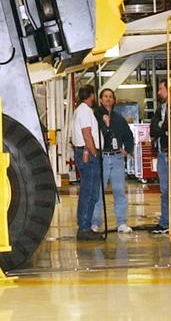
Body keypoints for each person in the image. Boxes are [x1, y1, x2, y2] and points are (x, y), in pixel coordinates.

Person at [96, 88, 135, 234]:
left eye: (110, 97)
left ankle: (122, 223)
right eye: (105, 96)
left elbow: (129, 135)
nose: (108, 99)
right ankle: (95, 223)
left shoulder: (119, 118)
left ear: (114, 100)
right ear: (101, 99)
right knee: (98, 193)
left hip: (117, 158)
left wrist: (127, 149)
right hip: (102, 158)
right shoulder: (95, 116)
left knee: (119, 191)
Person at [69, 84, 103, 240]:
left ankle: (85, 226)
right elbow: (86, 133)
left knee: (90, 192)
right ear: (91, 95)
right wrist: (94, 152)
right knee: (89, 193)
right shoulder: (84, 111)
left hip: (86, 153)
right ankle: (84, 228)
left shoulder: (81, 110)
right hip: (88, 154)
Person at [149, 79, 171, 233]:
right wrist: (162, 127)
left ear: (170, 90)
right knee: (165, 191)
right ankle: (165, 222)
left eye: (161, 89)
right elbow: (152, 129)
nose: (158, 92)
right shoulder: (160, 109)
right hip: (162, 154)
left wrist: (162, 126)